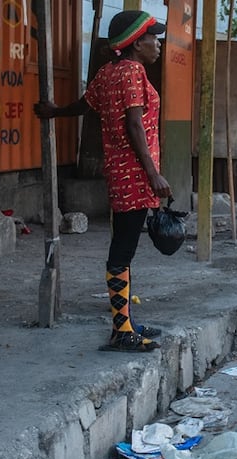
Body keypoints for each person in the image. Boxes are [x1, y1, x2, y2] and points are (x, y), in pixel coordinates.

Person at [35, 10, 169, 352]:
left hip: (120, 172)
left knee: (124, 247)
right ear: (137, 43)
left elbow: (84, 105)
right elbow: (134, 125)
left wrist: (54, 111)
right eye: (153, 37)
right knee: (122, 251)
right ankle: (122, 331)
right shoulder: (133, 71)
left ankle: (126, 323)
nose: (157, 43)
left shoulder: (108, 72)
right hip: (134, 174)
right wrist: (153, 174)